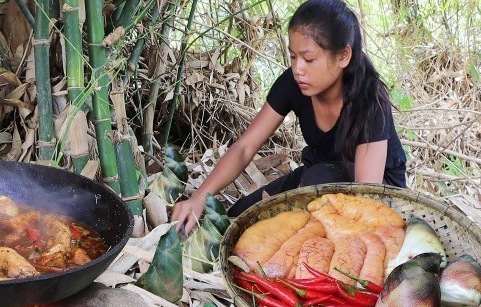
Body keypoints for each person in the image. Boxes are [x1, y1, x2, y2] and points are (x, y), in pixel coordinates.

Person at [171, 0, 406, 234]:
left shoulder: (370, 99)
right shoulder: (294, 83)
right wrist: (200, 197)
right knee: (238, 220)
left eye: (309, 59)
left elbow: (367, 197)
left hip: (379, 192)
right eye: (293, 57)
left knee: (315, 183)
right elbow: (245, 147)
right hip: (316, 178)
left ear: (343, 56)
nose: (298, 68)